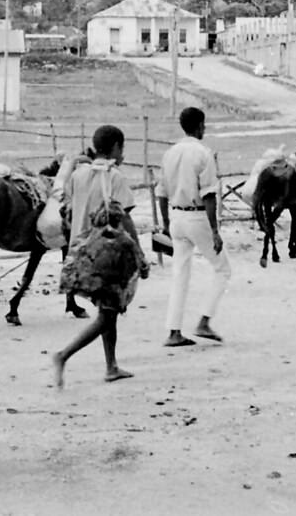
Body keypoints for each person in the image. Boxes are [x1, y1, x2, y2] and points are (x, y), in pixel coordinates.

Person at [53, 125, 148, 388]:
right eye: (122, 147)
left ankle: (111, 365)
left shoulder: (77, 175)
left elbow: (70, 209)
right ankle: (63, 355)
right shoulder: (115, 177)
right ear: (116, 147)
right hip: (106, 255)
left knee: (108, 309)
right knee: (107, 315)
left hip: (81, 251)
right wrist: (139, 253)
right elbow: (125, 218)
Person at [156, 106, 231, 347]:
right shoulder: (202, 153)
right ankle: (204, 320)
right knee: (223, 269)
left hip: (176, 217)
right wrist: (215, 231)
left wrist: (166, 224)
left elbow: (162, 193)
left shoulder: (170, 153)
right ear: (199, 125)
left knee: (180, 274)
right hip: (197, 217)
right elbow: (209, 195)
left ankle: (173, 331)